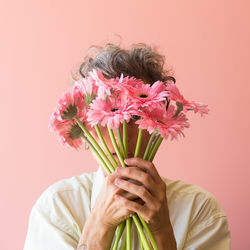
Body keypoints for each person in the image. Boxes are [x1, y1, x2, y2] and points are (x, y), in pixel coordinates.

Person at [23, 42, 231, 250]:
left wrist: (163, 232)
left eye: (134, 116)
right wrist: (99, 226)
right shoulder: (57, 208)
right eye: (105, 115)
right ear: (85, 130)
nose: (119, 132)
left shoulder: (200, 210)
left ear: (158, 125)